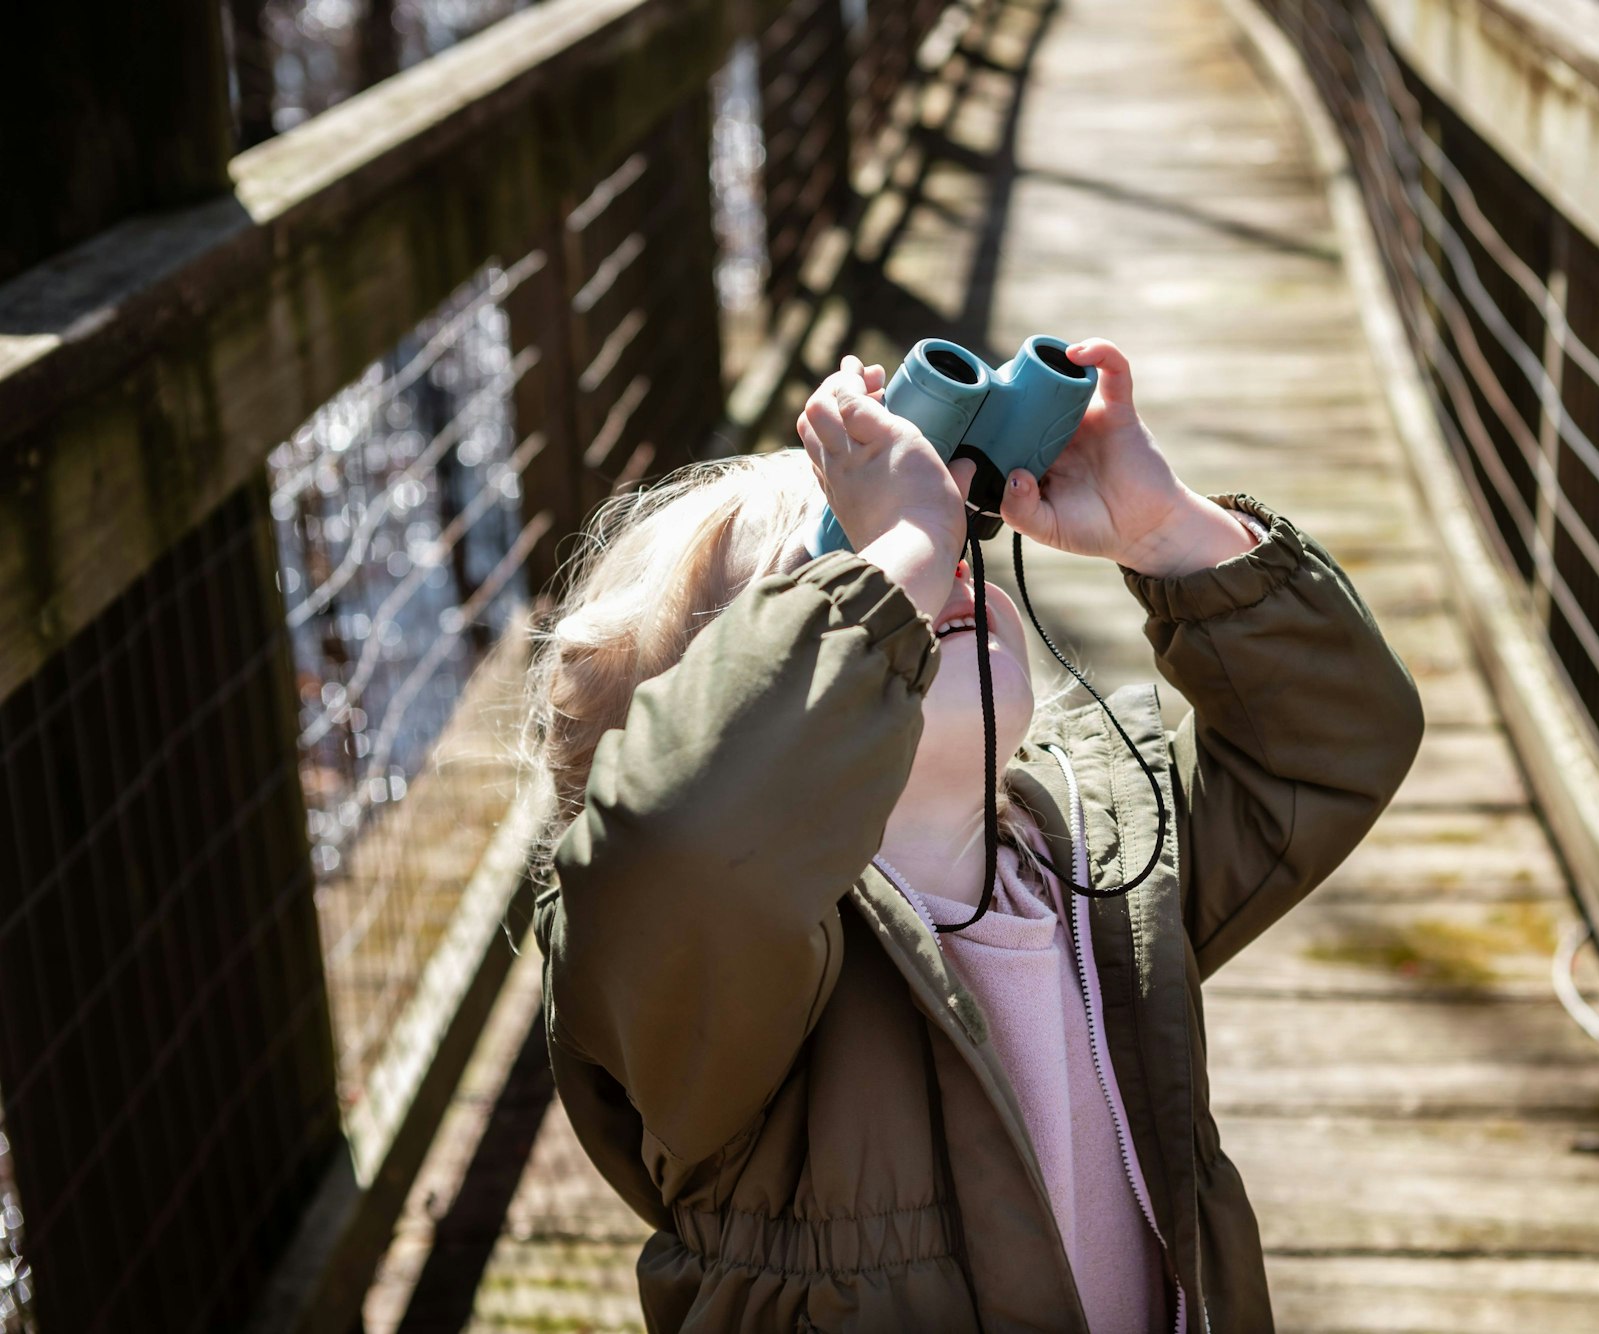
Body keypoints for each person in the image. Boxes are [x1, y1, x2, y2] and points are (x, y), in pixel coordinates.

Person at [528, 339, 1424, 1332]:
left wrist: (1166, 529)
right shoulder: (710, 999)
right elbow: (684, 843)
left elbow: (1329, 744)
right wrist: (902, 547)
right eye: (843, 572)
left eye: (944, 545)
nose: (931, 565)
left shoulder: (1091, 863)